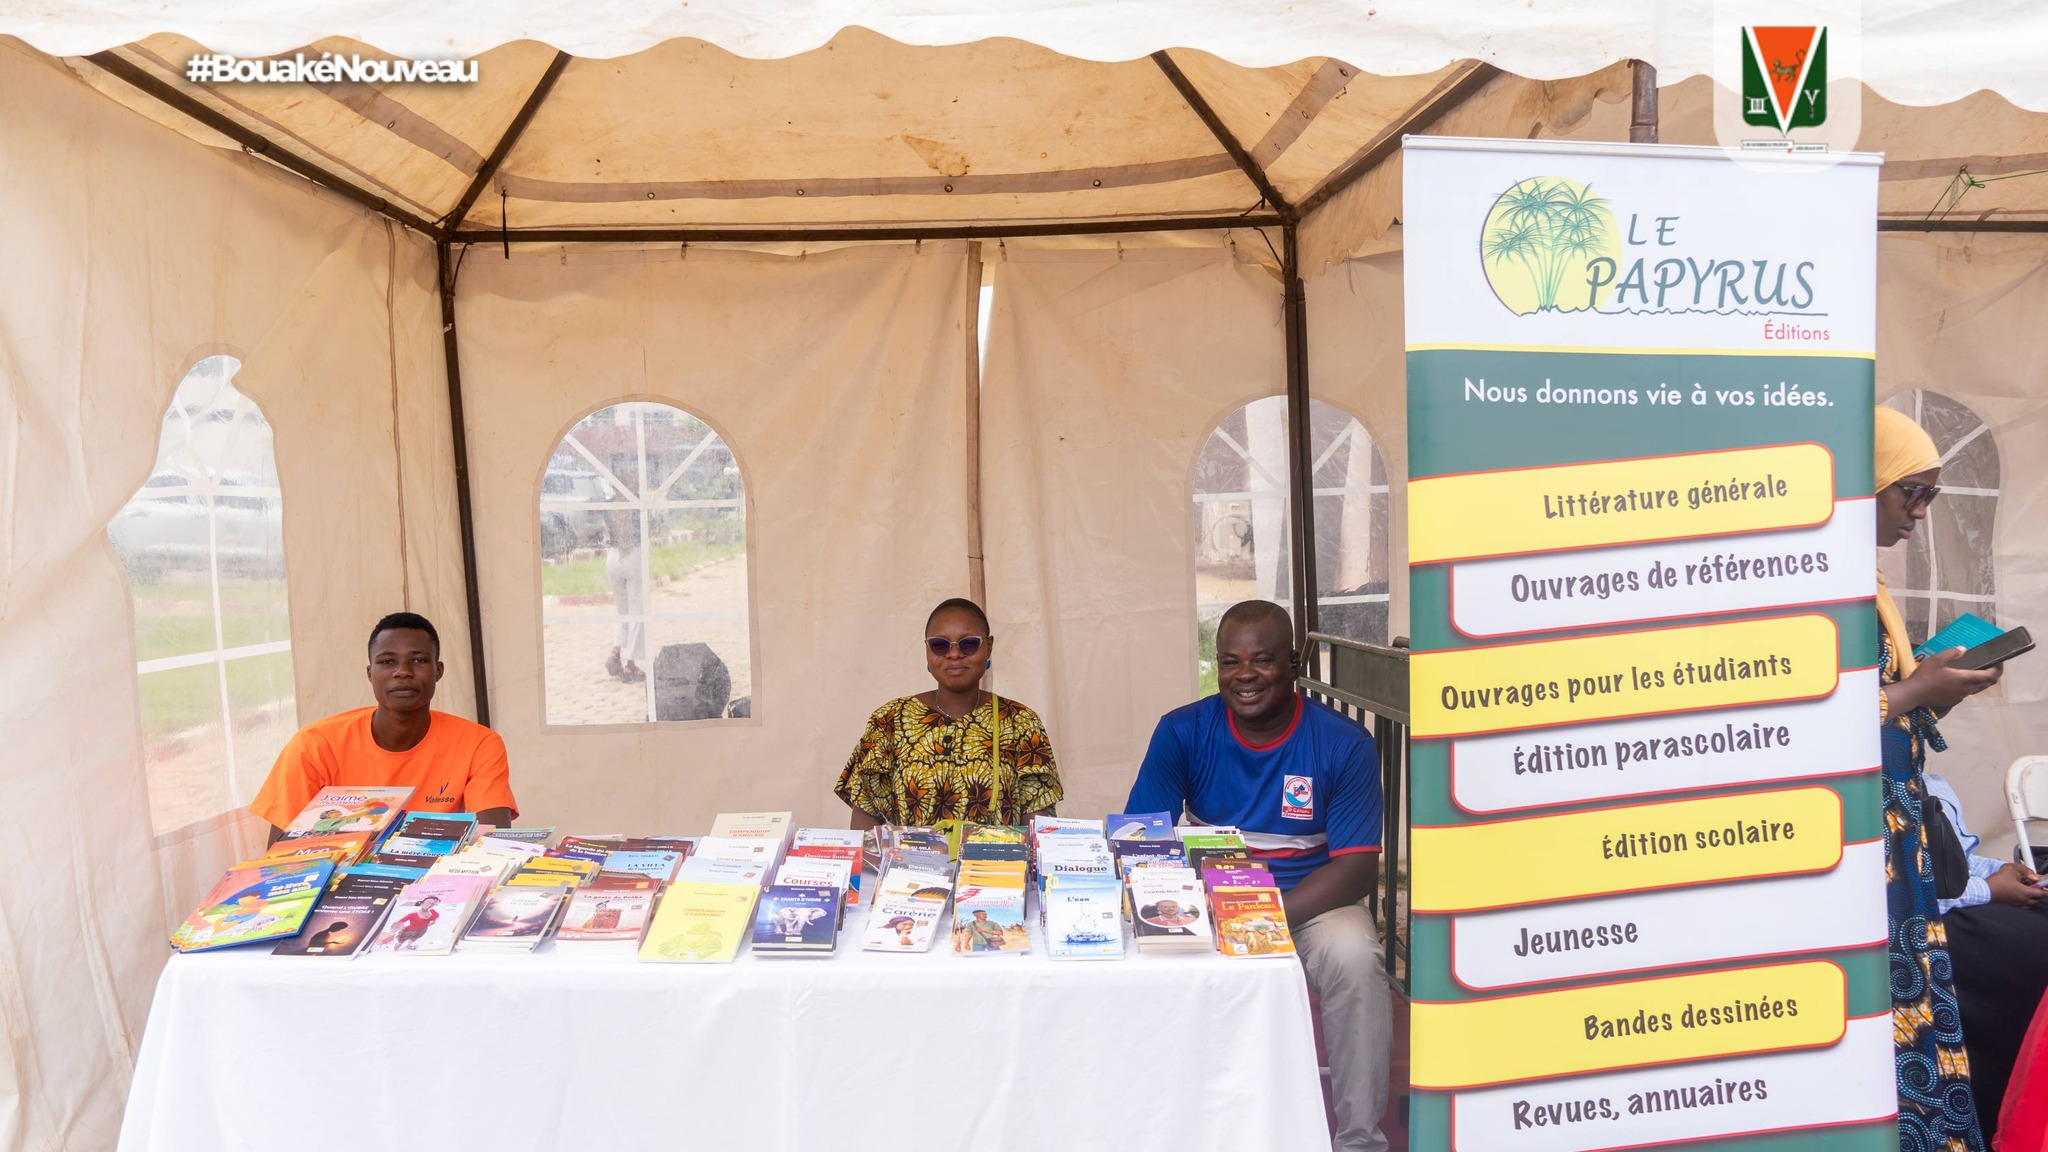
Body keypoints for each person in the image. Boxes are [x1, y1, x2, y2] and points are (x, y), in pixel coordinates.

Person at [1123, 600, 1392, 1152]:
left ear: (1294, 664)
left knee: (1356, 960)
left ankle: (1360, 1141)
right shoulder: (1182, 731)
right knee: (1140, 948)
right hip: (1210, 902)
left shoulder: (1344, 744)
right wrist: (1187, 911)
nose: (1244, 675)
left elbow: (1357, 868)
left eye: (1262, 659)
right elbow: (1138, 836)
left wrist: (1259, 921)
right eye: (1229, 661)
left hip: (1311, 903)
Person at [1874, 406, 2004, 1151]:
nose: (1919, 515)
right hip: (1859, 836)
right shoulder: (1813, 584)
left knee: (1912, 1000)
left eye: (1931, 498)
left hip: (1898, 830)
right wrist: (1918, 692)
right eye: (1909, 493)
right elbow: (1799, 716)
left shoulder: (1870, 585)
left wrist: (1929, 683)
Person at [250, 612, 518, 842]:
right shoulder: (314, 744)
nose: (403, 671)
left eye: (418, 660)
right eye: (387, 661)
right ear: (370, 673)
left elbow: (494, 842)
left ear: (438, 671)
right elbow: (280, 855)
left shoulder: (479, 743)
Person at [834, 598, 1063, 830]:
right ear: (927, 649)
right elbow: (865, 815)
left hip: (996, 865)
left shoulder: (1020, 722)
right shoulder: (890, 720)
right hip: (909, 865)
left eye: (969, 644)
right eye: (940, 645)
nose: (954, 654)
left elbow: (1038, 826)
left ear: (989, 647)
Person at [1925, 771, 2048, 1144]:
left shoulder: (1929, 779)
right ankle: (2010, 1111)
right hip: (1930, 927)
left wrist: (2003, 872)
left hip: (1965, 904)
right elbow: (1904, 891)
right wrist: (1989, 891)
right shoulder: (1875, 791)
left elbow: (1959, 861)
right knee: (2031, 951)